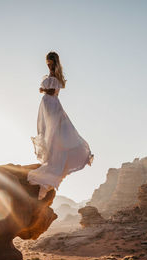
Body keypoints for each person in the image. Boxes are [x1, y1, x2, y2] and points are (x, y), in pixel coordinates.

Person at [27, 51, 94, 200]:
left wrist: (43, 90)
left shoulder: (56, 75)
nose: (48, 64)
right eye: (47, 62)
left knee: (54, 134)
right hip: (46, 106)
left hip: (52, 105)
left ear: (54, 61)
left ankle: (49, 177)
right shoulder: (50, 75)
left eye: (50, 62)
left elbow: (53, 91)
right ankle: (50, 166)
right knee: (47, 133)